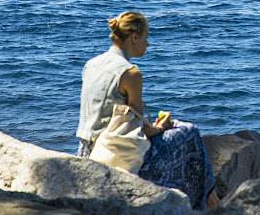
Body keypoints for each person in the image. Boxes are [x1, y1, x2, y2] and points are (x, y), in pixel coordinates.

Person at [76, 11, 219, 210]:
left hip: (86, 150)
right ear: (134, 37)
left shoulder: (91, 64)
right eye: (146, 37)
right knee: (189, 132)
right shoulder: (130, 73)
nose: (148, 44)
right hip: (116, 154)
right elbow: (142, 129)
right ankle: (209, 203)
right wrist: (160, 127)